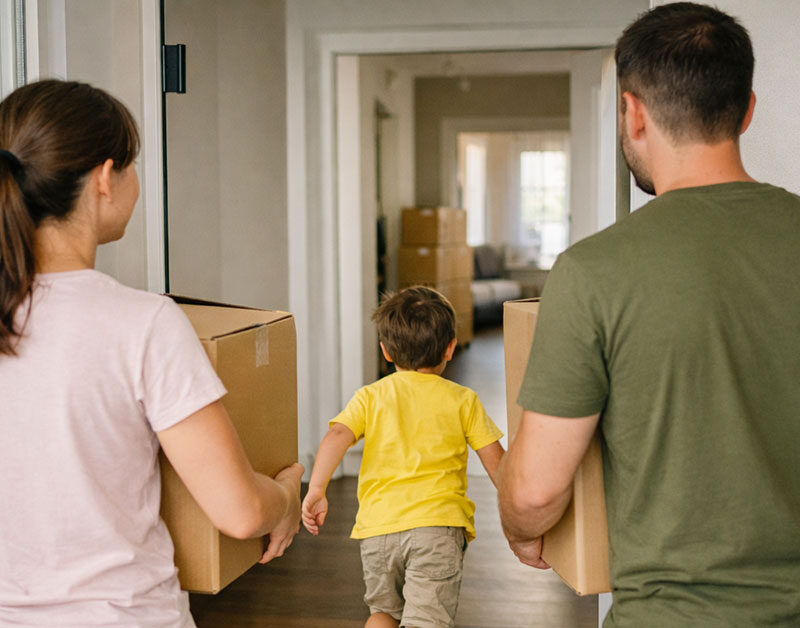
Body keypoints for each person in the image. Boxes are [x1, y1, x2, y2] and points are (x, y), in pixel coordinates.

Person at [498, 3, 800, 626]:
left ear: (632, 113)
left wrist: (524, 531)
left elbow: (533, 490)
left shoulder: (593, 272)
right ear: (746, 109)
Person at [0, 79, 303, 627]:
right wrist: (285, 497)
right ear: (103, 179)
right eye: (132, 165)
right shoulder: (143, 324)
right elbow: (239, 511)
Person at [302, 286, 505, 628]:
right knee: (426, 620)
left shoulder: (370, 396)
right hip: (436, 530)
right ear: (450, 348)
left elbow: (337, 435)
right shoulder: (463, 400)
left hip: (378, 530)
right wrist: (524, 515)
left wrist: (316, 489)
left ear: (386, 352)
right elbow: (497, 462)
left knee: (383, 614)